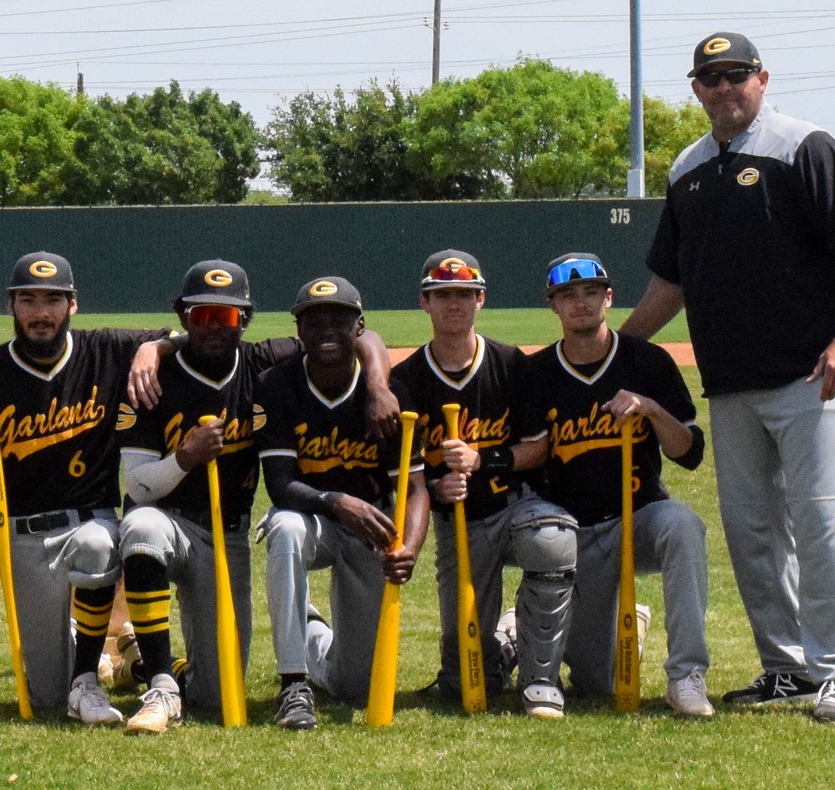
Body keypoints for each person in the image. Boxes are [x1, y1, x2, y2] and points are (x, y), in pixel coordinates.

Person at [621, 32, 835, 719]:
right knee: (750, 532)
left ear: (763, 78)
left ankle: (832, 664)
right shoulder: (687, 168)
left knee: (819, 523)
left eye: (736, 74)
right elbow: (670, 282)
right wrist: (614, 351)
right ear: (695, 89)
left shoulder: (803, 145)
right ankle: (788, 667)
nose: (724, 88)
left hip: (810, 376)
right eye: (710, 78)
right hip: (732, 383)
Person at [118, 259, 396, 731]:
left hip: (226, 536)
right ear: (182, 316)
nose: (212, 326)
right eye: (201, 315)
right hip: (167, 521)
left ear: (244, 319)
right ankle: (161, 681)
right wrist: (184, 456)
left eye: (225, 316)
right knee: (140, 527)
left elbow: (359, 337)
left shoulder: (264, 362)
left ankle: (139, 658)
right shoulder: (153, 378)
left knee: (216, 693)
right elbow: (137, 487)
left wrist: (375, 382)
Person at [0, 252, 164, 721]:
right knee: (48, 694)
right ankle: (119, 646)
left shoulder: (109, 350)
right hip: (25, 535)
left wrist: (153, 348)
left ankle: (90, 675)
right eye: (27, 299)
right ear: (11, 305)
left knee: (97, 544)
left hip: (90, 522)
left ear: (73, 305)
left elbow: (184, 338)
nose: (40, 312)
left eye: (53, 299)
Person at [518, 253, 710, 717]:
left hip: (638, 519)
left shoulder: (648, 363)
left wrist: (650, 408)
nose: (580, 303)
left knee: (683, 523)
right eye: (567, 295)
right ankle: (525, 624)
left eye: (590, 292)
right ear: (553, 307)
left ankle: (686, 675)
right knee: (593, 682)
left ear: (609, 298)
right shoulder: (537, 374)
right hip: (574, 535)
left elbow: (690, 452)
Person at [387, 250, 575, 707]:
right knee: (463, 677)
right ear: (424, 302)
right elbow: (405, 477)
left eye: (465, 294)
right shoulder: (404, 380)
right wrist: (435, 487)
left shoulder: (512, 365)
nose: (455, 303)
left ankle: (540, 679)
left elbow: (540, 447)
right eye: (443, 294)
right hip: (460, 527)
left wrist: (482, 460)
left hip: (515, 508)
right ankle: (509, 637)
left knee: (550, 539)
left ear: (481, 300)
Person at [257, 277, 428, 730]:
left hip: (368, 527)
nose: (326, 329)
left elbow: (413, 490)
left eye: (339, 319)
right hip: (309, 514)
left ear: (360, 326)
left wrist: (406, 547)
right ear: (298, 329)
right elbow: (279, 485)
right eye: (313, 320)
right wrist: (336, 502)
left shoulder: (390, 398)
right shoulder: (277, 385)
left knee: (356, 687)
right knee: (286, 528)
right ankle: (294, 684)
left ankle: (310, 630)